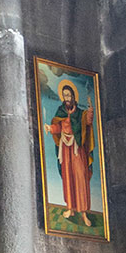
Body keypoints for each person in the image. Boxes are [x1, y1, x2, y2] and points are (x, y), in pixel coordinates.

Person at [47, 80, 95, 224]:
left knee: (80, 177)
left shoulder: (80, 113)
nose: (67, 98)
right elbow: (58, 127)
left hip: (77, 147)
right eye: (64, 95)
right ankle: (70, 207)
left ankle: (84, 212)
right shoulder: (61, 111)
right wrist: (51, 129)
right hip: (65, 148)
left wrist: (91, 110)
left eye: (69, 95)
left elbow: (88, 122)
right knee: (68, 177)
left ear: (73, 96)